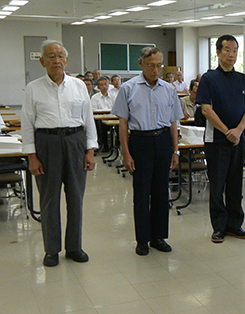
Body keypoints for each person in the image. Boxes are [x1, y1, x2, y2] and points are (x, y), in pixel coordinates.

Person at [21, 40, 97, 267]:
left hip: (75, 142)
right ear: (42, 61)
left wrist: (90, 150)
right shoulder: (33, 88)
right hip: (47, 144)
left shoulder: (78, 86)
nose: (57, 60)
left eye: (60, 56)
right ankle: (51, 250)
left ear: (66, 59)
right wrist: (31, 156)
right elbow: (27, 124)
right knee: (49, 199)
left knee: (76, 198)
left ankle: (74, 247)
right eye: (51, 56)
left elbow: (88, 120)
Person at [111, 47, 183, 256]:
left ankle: (159, 236)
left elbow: (173, 122)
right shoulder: (129, 88)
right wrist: (125, 152)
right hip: (140, 142)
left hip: (162, 141)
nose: (155, 70)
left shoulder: (168, 89)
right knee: (142, 193)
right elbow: (122, 124)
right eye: (151, 65)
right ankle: (142, 239)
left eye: (159, 65)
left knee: (161, 191)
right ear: (141, 64)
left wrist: (175, 150)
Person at [196, 35, 245, 243]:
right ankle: (219, 227)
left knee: (235, 184)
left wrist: (238, 130)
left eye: (235, 50)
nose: (231, 54)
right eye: (227, 50)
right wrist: (226, 131)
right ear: (218, 52)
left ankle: (235, 224)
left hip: (239, 139)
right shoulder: (209, 79)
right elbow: (206, 109)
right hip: (217, 141)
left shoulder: (243, 79)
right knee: (218, 185)